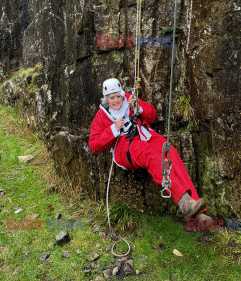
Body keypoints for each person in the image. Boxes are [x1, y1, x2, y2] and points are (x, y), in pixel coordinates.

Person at [89, 78, 213, 222]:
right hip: (125, 147)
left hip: (145, 135)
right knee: (151, 155)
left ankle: (198, 212)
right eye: (112, 98)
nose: (116, 100)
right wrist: (113, 129)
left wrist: (139, 107)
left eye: (118, 96)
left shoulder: (129, 99)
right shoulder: (101, 116)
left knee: (170, 151)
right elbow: (94, 145)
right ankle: (184, 202)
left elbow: (152, 115)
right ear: (106, 99)